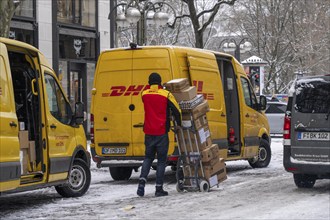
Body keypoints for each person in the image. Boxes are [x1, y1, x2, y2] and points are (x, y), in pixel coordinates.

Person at [137, 72, 181, 197]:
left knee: (148, 158)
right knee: (161, 161)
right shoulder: (166, 94)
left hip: (149, 132)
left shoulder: (144, 94)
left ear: (149, 82)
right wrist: (179, 123)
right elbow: (176, 110)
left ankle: (141, 183)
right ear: (160, 82)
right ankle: (158, 188)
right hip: (161, 132)